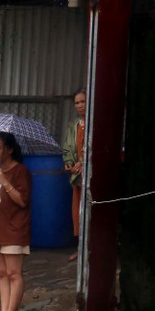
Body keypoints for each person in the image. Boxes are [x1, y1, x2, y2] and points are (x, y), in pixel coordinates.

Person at [0, 131, 32, 311]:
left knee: (14, 273)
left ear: (9, 150)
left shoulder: (21, 172)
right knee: (2, 274)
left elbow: (22, 201)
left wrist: (5, 182)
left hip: (14, 229)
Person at [62, 87, 86, 260]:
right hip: (77, 177)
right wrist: (69, 162)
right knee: (77, 212)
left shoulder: (94, 124)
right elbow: (68, 147)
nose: (79, 106)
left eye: (83, 101)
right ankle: (81, 248)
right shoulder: (74, 126)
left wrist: (83, 162)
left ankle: (89, 249)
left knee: (89, 211)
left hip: (90, 175)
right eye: (77, 103)